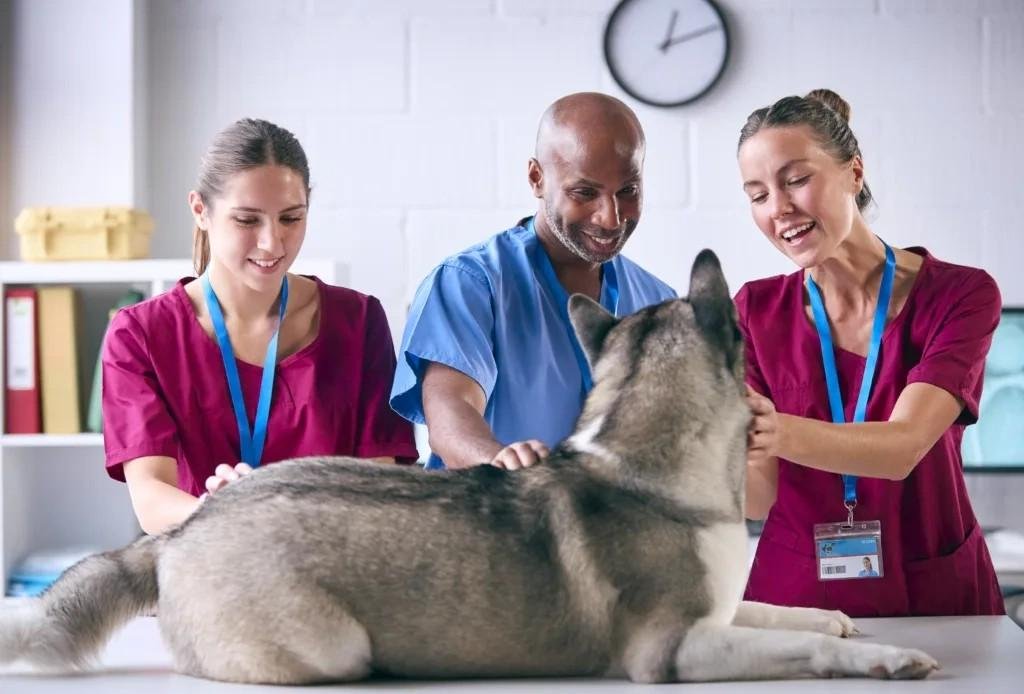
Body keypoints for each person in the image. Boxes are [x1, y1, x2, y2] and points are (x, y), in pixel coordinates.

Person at [735, 89, 1004, 616]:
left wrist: (768, 427)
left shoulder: (959, 296)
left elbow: (901, 448)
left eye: (796, 180)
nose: (779, 208)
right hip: (797, 602)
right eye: (757, 194)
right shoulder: (752, 310)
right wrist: (714, 437)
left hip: (934, 592)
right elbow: (757, 498)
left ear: (854, 172)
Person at [102, 119, 418, 534]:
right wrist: (231, 513)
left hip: (333, 570)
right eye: (248, 220)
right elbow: (152, 498)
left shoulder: (357, 321)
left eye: (291, 218)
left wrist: (273, 513)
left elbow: (380, 485)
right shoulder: (139, 335)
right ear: (200, 211)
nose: (272, 243)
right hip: (211, 566)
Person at [390, 92, 675, 470]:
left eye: (628, 191)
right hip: (492, 520)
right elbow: (450, 417)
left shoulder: (659, 303)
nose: (611, 218)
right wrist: (500, 461)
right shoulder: (470, 285)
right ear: (537, 178)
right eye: (584, 193)